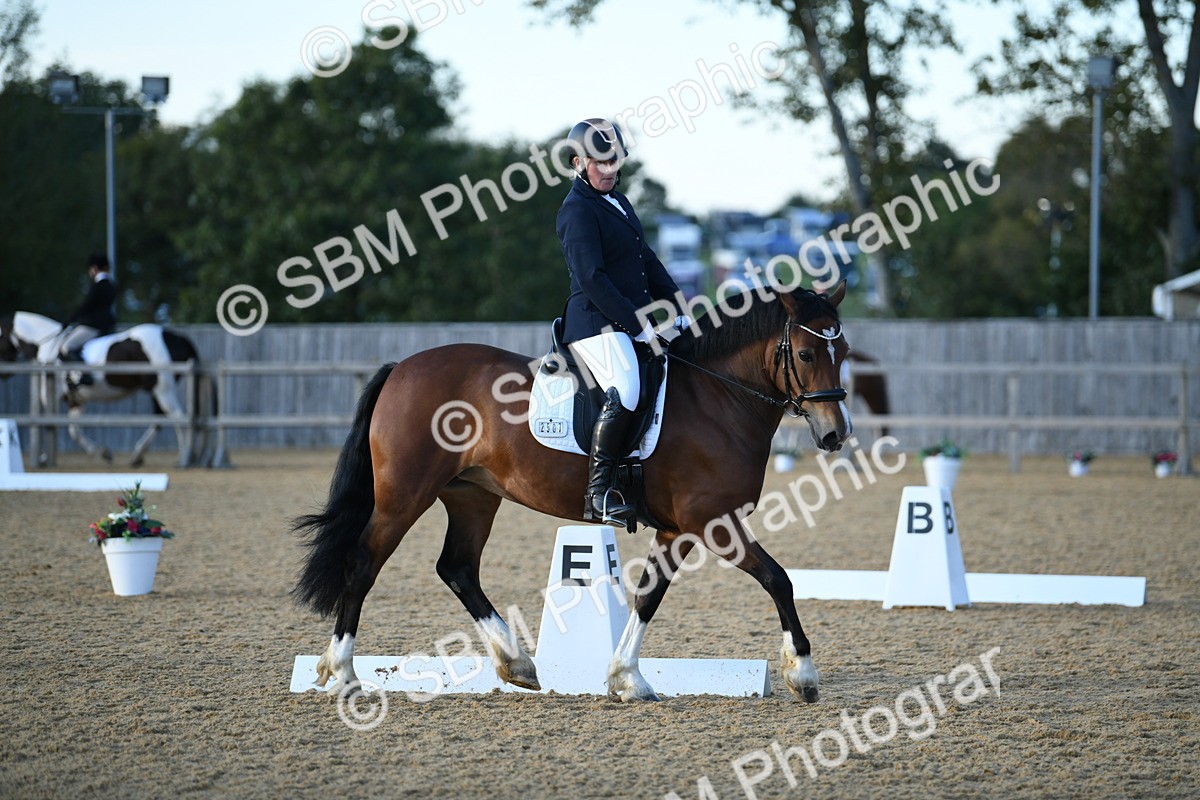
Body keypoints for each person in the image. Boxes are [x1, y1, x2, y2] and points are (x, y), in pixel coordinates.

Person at [557, 118, 690, 525]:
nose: (611, 170)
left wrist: (678, 306)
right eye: (601, 163)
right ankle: (597, 493)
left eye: (616, 161)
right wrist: (638, 325)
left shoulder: (618, 201)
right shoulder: (577, 211)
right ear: (579, 162)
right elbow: (593, 279)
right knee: (627, 389)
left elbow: (645, 259)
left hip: (626, 321)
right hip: (594, 324)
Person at [58, 253, 118, 361]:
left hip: (92, 326)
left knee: (66, 346)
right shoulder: (112, 285)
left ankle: (83, 375)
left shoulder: (97, 286)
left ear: (94, 268)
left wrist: (69, 319)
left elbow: (86, 306)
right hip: (108, 324)